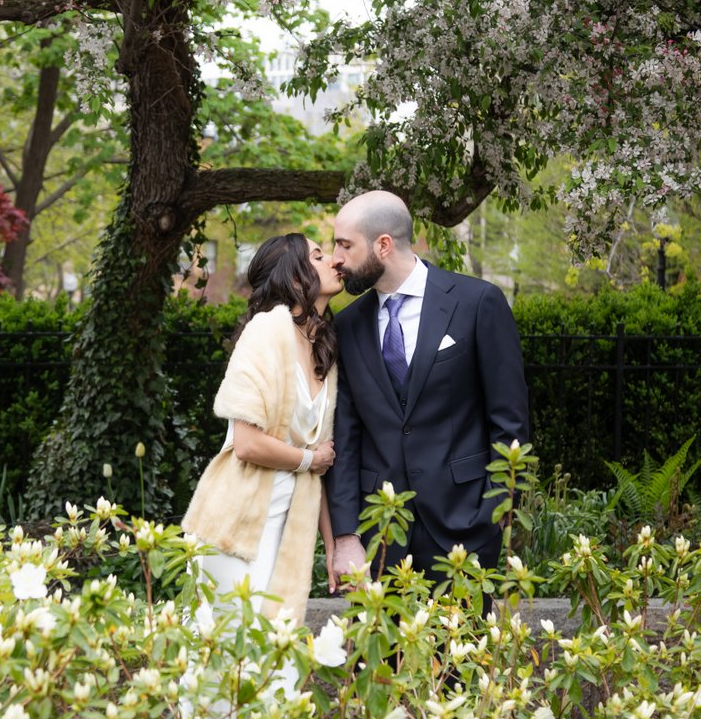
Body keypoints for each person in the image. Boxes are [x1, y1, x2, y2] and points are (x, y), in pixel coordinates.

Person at [324, 191, 529, 584]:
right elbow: (346, 438)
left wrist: (495, 510)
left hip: (465, 527)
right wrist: (347, 534)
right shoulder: (346, 326)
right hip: (381, 534)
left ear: (383, 245)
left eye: (345, 244)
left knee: (466, 645)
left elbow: (510, 419)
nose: (336, 257)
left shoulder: (477, 303)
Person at [182, 233, 344, 619]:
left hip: (287, 531)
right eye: (319, 256)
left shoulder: (323, 347)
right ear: (297, 279)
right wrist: (308, 459)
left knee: (276, 656)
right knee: (232, 660)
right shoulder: (266, 331)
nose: (334, 261)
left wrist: (333, 545)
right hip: (235, 529)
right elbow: (247, 444)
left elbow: (319, 464)